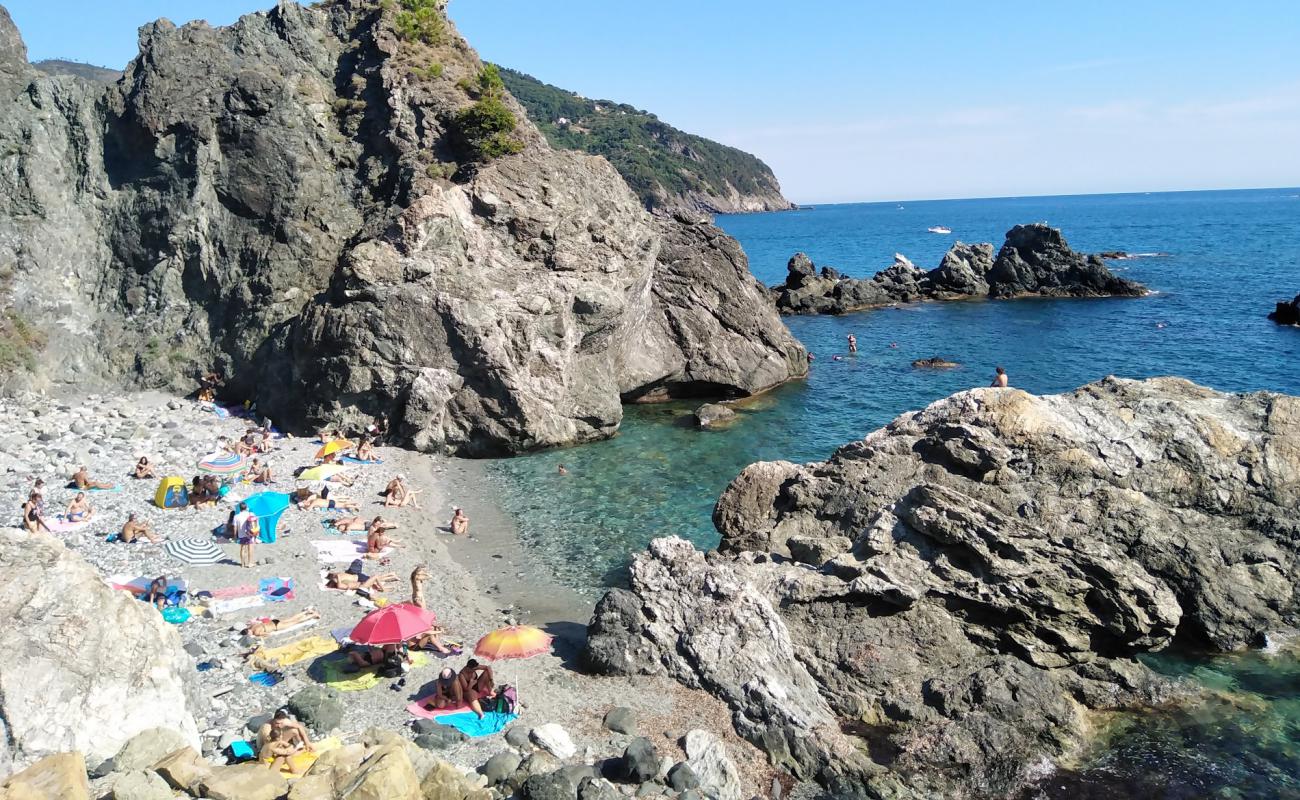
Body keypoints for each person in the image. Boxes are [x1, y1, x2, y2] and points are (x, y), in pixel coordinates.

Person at [257, 709, 314, 775]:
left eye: (281, 723)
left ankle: (304, 747)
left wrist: (307, 742)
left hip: (271, 747)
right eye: (277, 723)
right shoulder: (267, 728)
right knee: (285, 756)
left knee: (294, 731)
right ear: (273, 720)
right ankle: (295, 771)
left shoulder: (282, 724)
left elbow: (299, 726)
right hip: (266, 754)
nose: (280, 726)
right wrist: (293, 749)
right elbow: (284, 752)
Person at [241, 608, 321, 638]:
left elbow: (267, 634)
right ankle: (307, 611)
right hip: (274, 621)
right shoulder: (252, 626)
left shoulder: (256, 632)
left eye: (249, 635)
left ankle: (313, 615)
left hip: (277, 627)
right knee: (292, 618)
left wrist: (258, 636)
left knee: (296, 622)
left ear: (248, 633)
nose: (250, 635)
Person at [324, 560, 398, 592]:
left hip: (360, 582)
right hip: (361, 584)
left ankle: (390, 577)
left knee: (376, 581)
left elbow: (338, 582)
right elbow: (339, 586)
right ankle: (385, 585)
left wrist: (337, 578)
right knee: (376, 578)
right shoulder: (340, 583)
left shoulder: (341, 581)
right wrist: (338, 577)